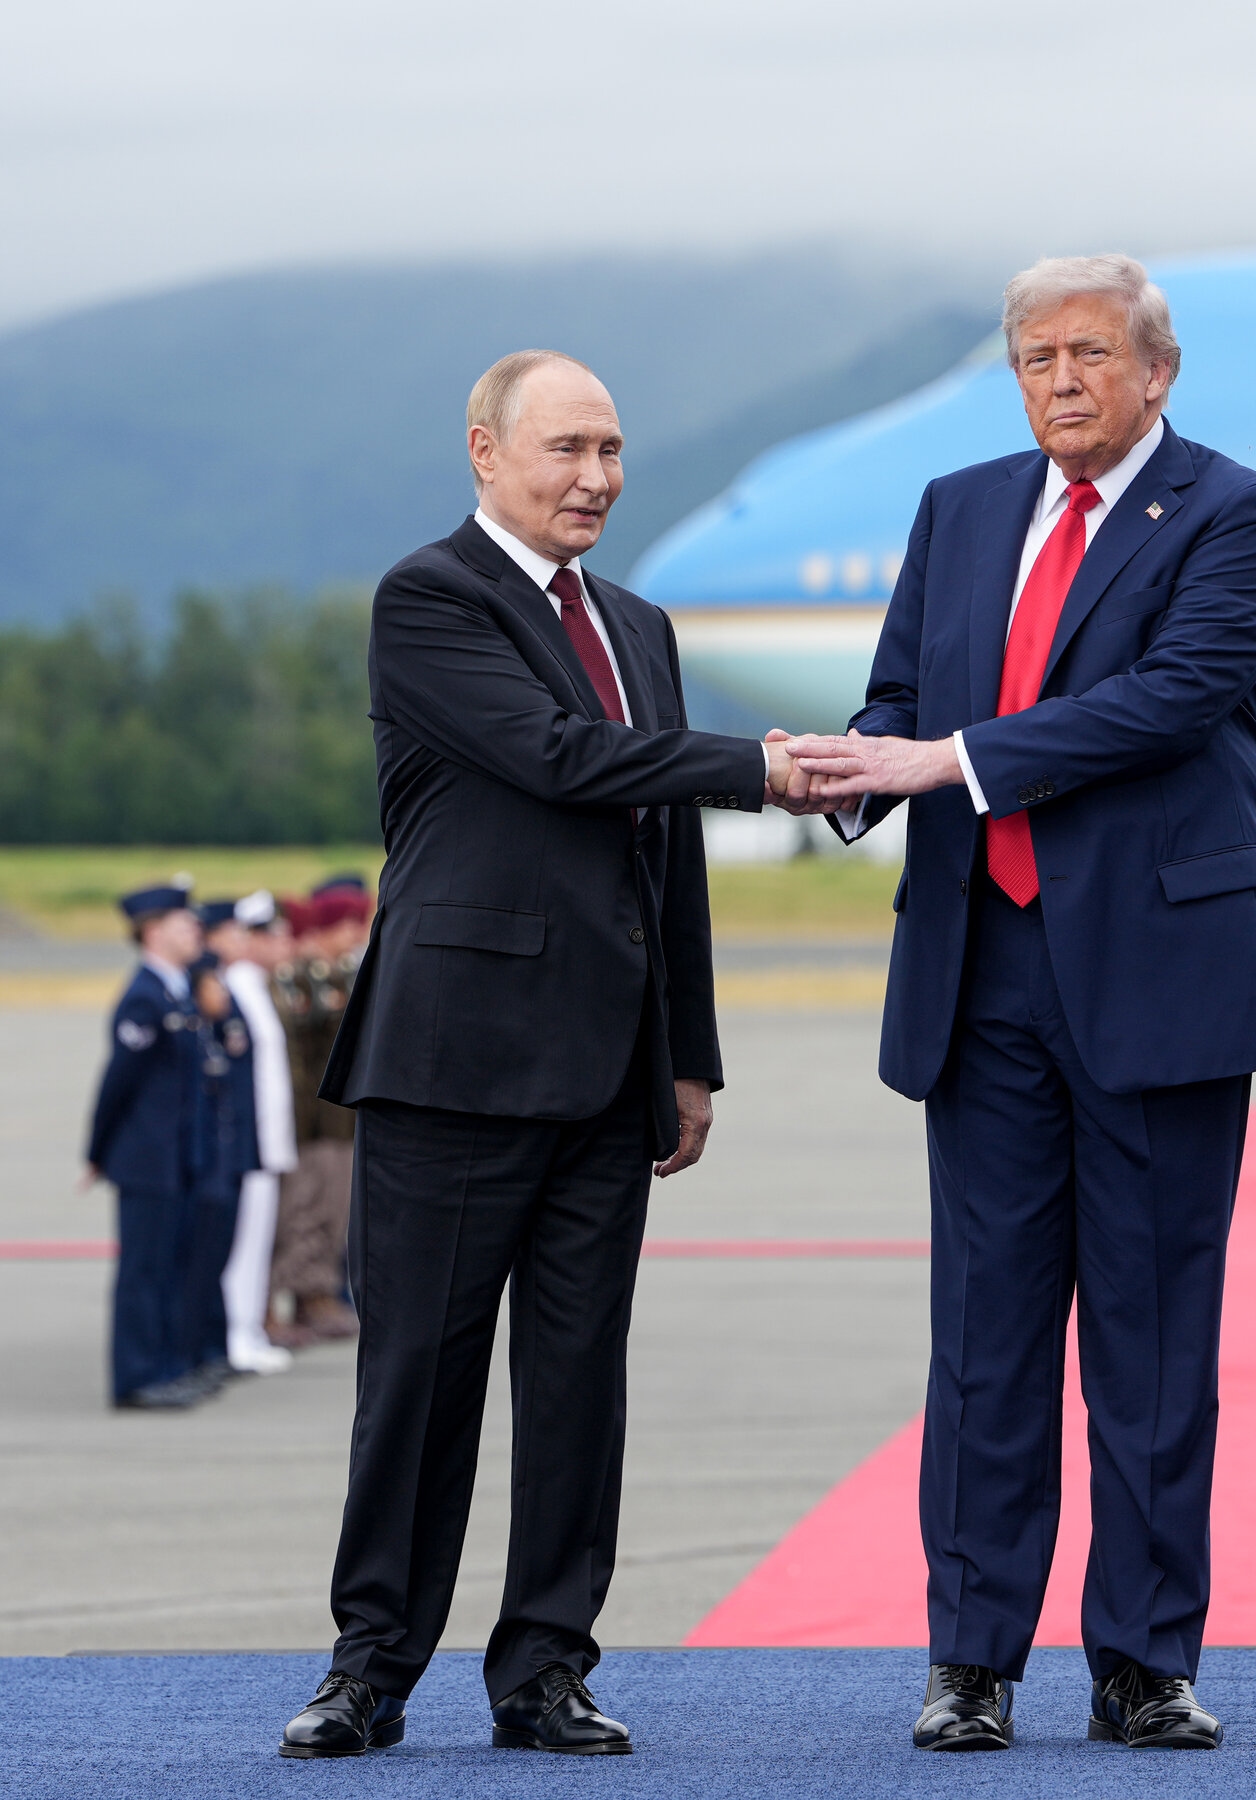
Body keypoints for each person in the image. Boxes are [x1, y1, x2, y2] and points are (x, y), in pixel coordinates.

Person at [784, 256, 1256, 1752]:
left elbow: (1173, 698)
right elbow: (903, 696)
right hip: (981, 970)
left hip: (1159, 975)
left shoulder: (1235, 514)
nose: (1062, 380)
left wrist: (949, 760)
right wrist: (853, 769)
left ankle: (1143, 1663)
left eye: (1090, 352)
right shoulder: (959, 508)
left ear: (1158, 371)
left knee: (1151, 1340)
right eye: (1036, 357)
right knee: (984, 1338)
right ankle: (972, 1662)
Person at [279, 349, 802, 1759]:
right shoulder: (430, 597)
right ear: (485, 452)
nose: (596, 477)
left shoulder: (638, 624)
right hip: (452, 1062)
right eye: (567, 448)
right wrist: (756, 766)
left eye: (612, 450)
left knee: (578, 1384)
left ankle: (546, 1669)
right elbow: (559, 757)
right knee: (420, 1382)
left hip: (608, 1071)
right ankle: (372, 1666)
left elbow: (665, 860)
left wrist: (688, 1056)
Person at [85, 883, 205, 1410]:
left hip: (174, 1157)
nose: (194, 930)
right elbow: (119, 1083)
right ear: (152, 932)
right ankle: (135, 1377)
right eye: (183, 923)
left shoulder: (175, 991)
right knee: (144, 1271)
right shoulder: (145, 997)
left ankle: (163, 1367)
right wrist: (97, 1151)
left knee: (168, 1268)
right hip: (146, 1157)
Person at [266, 879, 371, 1346]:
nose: (356, 933)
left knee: (333, 1210)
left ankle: (321, 1293)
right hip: (312, 1122)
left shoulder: (335, 974)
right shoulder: (303, 978)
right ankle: (307, 1294)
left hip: (339, 1120)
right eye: (347, 923)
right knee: (307, 1210)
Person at [213, 891, 300, 1375]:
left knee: (256, 1242)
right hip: (249, 1142)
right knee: (241, 1244)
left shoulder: (255, 986)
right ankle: (235, 1333)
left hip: (267, 1141)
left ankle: (247, 1330)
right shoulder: (237, 987)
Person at [178, 940, 261, 1394]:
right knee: (196, 1268)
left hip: (225, 1165)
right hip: (204, 1169)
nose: (223, 993)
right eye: (213, 984)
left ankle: (211, 1351)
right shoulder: (194, 1038)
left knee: (215, 1262)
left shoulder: (212, 1034)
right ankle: (188, 1357)